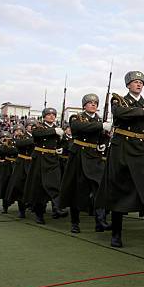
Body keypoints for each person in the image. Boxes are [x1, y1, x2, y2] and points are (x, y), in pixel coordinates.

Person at [96, 71, 144, 247]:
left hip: (139, 149)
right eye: (135, 82)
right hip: (121, 148)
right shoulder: (119, 100)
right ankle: (116, 233)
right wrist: (143, 112)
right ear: (128, 85)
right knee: (119, 190)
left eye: (141, 83)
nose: (139, 85)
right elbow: (120, 113)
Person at [60, 94, 113, 233]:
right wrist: (101, 126)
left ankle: (100, 221)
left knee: (99, 189)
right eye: (90, 103)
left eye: (95, 103)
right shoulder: (77, 117)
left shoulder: (99, 120)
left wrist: (103, 143)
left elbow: (104, 136)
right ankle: (75, 222)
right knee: (77, 190)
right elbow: (81, 127)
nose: (93, 105)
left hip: (94, 157)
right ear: (84, 106)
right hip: (79, 155)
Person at [24, 108, 68, 224]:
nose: (51, 116)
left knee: (56, 183)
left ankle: (57, 207)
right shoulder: (39, 126)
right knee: (40, 187)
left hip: (53, 159)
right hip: (40, 159)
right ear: (44, 116)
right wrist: (54, 131)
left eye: (53, 114)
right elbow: (37, 134)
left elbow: (62, 143)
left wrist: (60, 148)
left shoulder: (58, 129)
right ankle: (39, 214)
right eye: (48, 114)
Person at [5, 124, 34, 218]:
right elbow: (19, 144)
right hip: (21, 164)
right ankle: (21, 210)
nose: (18, 131)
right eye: (29, 125)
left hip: (32, 163)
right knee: (19, 186)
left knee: (32, 185)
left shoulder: (36, 136)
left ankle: (30, 205)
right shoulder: (21, 138)